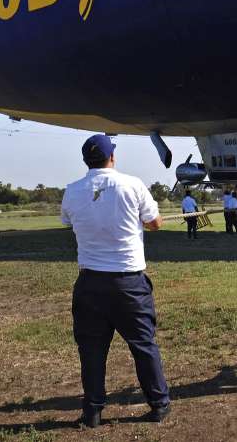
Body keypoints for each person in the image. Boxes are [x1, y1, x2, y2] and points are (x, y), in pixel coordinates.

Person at [61, 134, 171, 426]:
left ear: (86, 160)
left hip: (89, 284)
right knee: (143, 344)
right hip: (128, 283)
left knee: (92, 349)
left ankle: (93, 410)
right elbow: (156, 224)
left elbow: (68, 221)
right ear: (112, 157)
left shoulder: (71, 191)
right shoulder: (132, 184)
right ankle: (159, 405)